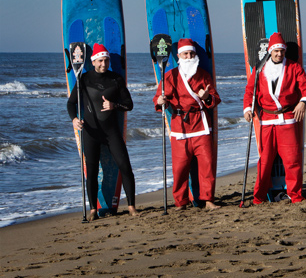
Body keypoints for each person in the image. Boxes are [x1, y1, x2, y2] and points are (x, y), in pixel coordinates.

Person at [67, 43, 138, 220]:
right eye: (100, 61)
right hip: (90, 132)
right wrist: (74, 119)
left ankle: (131, 207)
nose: (103, 64)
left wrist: (114, 105)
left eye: (106, 60)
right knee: (91, 172)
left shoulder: (116, 79)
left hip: (111, 132)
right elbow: (71, 103)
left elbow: (129, 105)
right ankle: (93, 209)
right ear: (93, 62)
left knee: (125, 167)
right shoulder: (84, 79)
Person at [243, 32, 306, 203]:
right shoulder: (259, 69)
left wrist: (303, 102)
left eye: (282, 51)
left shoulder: (294, 67)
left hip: (288, 119)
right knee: (265, 161)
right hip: (267, 121)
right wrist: (247, 109)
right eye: (276, 51)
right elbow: (250, 91)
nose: (279, 54)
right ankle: (259, 197)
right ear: (270, 51)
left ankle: (295, 195)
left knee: (292, 160)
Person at [153, 38, 221, 209]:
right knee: (180, 167)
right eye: (185, 54)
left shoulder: (203, 75)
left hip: (201, 126)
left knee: (207, 165)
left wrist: (207, 97)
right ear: (179, 56)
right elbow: (160, 99)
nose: (189, 57)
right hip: (179, 127)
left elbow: (215, 99)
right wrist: (160, 101)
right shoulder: (170, 76)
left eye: (191, 54)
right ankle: (180, 201)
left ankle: (208, 200)